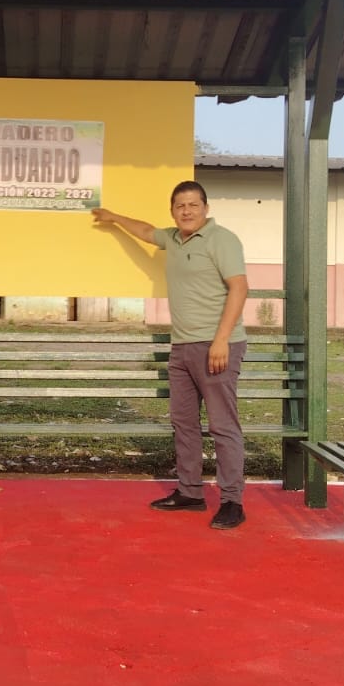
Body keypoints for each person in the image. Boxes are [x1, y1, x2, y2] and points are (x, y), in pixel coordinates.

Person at [92, 181, 250, 529]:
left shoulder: (222, 240)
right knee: (184, 423)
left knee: (222, 426)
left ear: (205, 208)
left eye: (193, 204)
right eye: (180, 206)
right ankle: (190, 492)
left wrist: (222, 340)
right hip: (181, 347)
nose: (187, 211)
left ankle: (232, 501)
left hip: (216, 346)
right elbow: (146, 231)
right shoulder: (174, 238)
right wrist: (114, 217)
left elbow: (239, 287)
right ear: (173, 211)